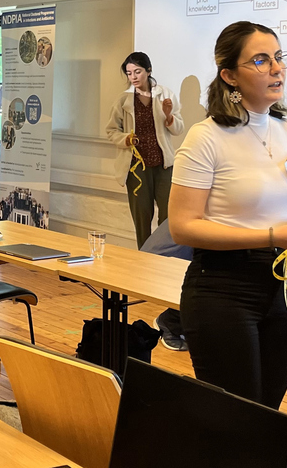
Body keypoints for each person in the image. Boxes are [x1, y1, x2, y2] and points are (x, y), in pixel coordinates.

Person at [169, 21, 287, 409]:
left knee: (267, 417)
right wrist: (273, 236)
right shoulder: (206, 137)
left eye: (278, 57)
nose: (276, 68)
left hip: (282, 288)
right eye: (260, 60)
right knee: (235, 421)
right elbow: (183, 227)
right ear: (229, 75)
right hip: (222, 288)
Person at [105, 51, 186, 350]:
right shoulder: (123, 100)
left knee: (168, 222)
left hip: (163, 166)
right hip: (136, 167)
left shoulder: (166, 95)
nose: (132, 77)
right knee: (142, 221)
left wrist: (167, 114)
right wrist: (125, 139)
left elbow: (177, 128)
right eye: (128, 72)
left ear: (149, 71)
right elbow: (110, 130)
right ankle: (144, 275)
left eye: (137, 71)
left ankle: (167, 273)